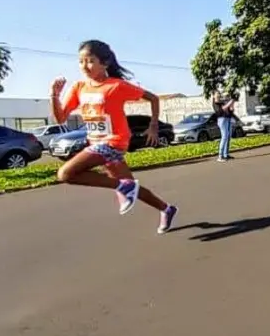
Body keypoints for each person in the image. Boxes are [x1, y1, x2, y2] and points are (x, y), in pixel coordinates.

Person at [51, 40, 178, 234]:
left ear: (105, 63)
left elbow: (152, 98)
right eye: (81, 61)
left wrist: (153, 126)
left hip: (114, 142)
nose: (84, 66)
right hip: (96, 142)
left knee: (65, 174)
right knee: (132, 187)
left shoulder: (116, 86)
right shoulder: (79, 87)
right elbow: (61, 118)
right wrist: (54, 96)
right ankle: (166, 209)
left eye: (90, 60)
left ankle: (122, 186)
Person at [212, 91, 235, 161]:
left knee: (228, 137)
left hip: (228, 119)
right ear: (213, 96)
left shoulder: (222, 102)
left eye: (219, 93)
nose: (219, 95)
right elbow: (221, 110)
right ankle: (220, 156)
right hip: (222, 120)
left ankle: (226, 154)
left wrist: (232, 103)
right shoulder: (215, 103)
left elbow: (230, 110)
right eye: (217, 94)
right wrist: (229, 103)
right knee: (224, 136)